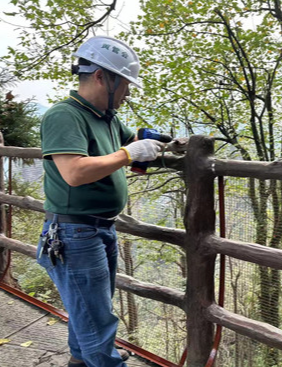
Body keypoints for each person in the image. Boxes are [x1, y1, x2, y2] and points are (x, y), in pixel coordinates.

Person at [36, 36, 164, 367]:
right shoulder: (64, 116)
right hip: (74, 233)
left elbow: (130, 143)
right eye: (124, 84)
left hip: (98, 229)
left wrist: (154, 143)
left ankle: (82, 360)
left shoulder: (105, 116)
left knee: (91, 310)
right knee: (97, 322)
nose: (128, 93)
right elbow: (74, 173)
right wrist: (127, 154)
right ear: (101, 77)